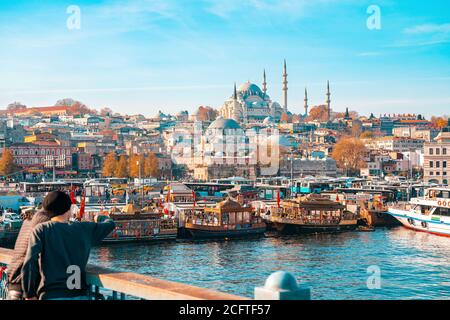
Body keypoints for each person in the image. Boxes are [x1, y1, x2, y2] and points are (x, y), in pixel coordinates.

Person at [21, 191, 116, 300]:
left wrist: (29, 293)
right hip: (79, 294)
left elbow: (30, 263)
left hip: (51, 294)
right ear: (68, 209)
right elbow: (110, 224)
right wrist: (100, 217)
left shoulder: (41, 230)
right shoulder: (84, 228)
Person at [6, 208, 51, 300]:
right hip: (24, 284)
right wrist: (30, 293)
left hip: (13, 279)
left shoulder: (28, 221)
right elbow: (31, 260)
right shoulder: (44, 222)